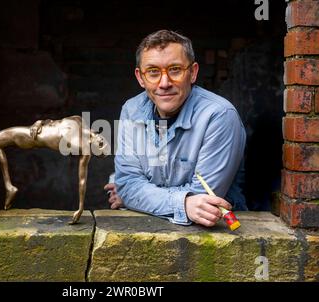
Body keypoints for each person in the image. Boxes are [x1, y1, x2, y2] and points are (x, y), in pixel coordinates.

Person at [104, 30, 247, 227]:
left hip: (217, 237)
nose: (164, 83)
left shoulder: (219, 115)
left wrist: (137, 199)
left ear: (193, 72)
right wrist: (184, 203)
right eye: (153, 72)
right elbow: (128, 185)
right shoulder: (132, 109)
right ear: (140, 77)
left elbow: (203, 201)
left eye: (175, 70)